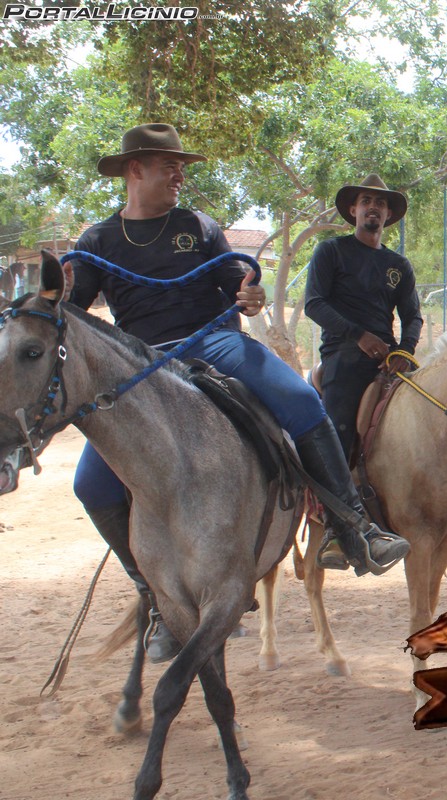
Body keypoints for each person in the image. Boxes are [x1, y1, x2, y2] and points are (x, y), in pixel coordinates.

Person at [69, 124, 411, 661]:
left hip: (215, 341)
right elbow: (71, 311)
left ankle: (354, 527)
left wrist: (249, 296)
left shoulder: (199, 226)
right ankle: (154, 593)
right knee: (90, 485)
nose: (180, 175)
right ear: (136, 170)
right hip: (143, 365)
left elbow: (237, 283)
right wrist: (57, 295)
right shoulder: (97, 241)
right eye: (169, 166)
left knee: (302, 399)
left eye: (181, 167)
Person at [303, 175, 447, 557]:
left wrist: (405, 350)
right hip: (343, 355)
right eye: (366, 201)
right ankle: (336, 526)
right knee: (339, 428)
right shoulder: (331, 252)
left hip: (390, 359)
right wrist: (358, 336)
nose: (373, 208)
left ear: (388, 215)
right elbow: (314, 304)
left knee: (440, 412)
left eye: (381, 203)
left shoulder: (397, 265)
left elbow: (412, 316)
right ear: (353, 209)